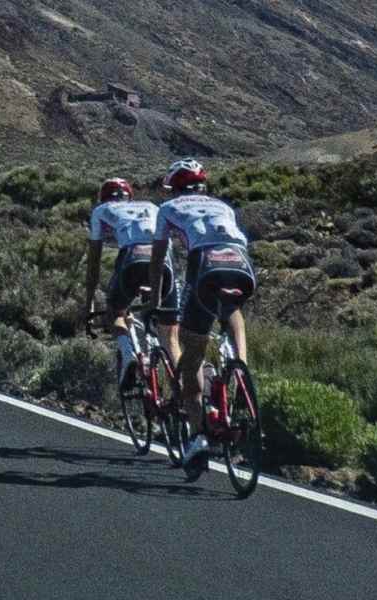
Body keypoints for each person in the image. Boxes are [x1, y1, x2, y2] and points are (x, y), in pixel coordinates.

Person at [147, 159, 257, 480]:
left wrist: (155, 302)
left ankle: (197, 438)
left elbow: (157, 259)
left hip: (205, 266)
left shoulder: (168, 208)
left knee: (192, 355)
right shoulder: (223, 205)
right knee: (232, 310)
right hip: (241, 264)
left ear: (175, 187)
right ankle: (239, 368)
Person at [84, 178, 180, 388]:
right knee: (170, 334)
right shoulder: (151, 206)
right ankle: (183, 390)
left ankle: (129, 355)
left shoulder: (102, 210)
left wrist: (89, 303)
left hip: (133, 257)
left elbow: (94, 264)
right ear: (130, 196)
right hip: (164, 263)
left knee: (116, 310)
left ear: (103, 198)